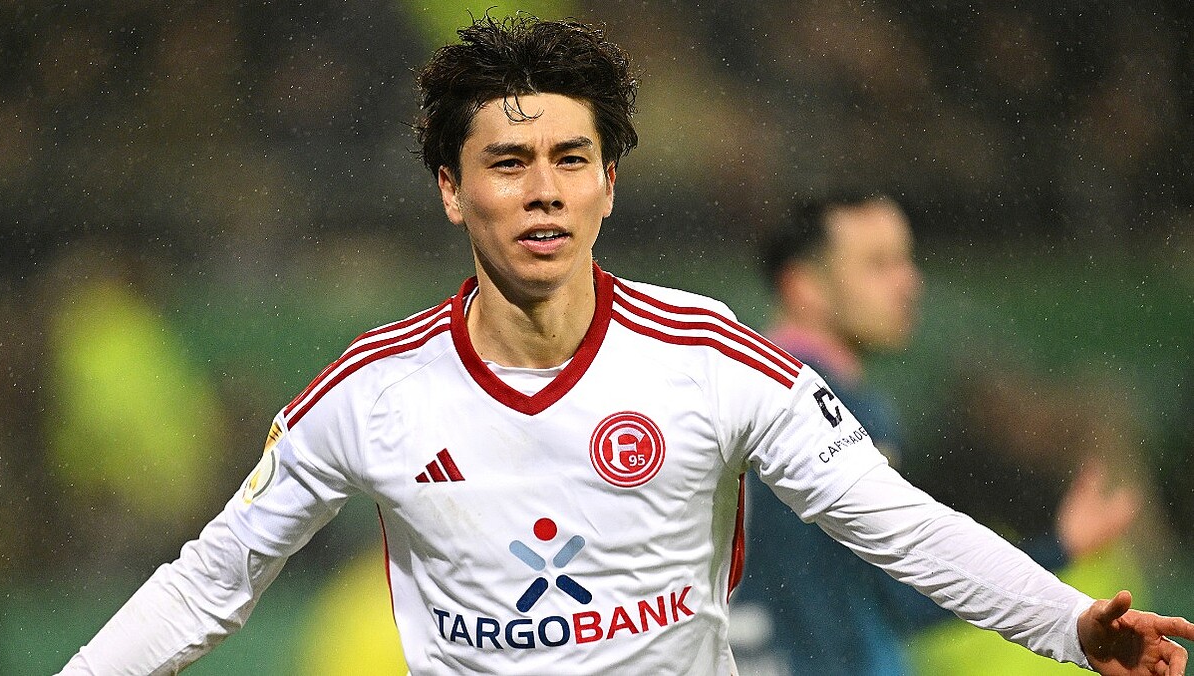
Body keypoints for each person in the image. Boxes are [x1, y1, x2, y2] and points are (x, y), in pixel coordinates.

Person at [60, 15, 1194, 676]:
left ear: (609, 182)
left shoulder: (709, 356)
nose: (542, 192)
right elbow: (206, 584)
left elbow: (894, 524)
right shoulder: (370, 394)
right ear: (451, 190)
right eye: (507, 164)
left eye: (570, 160)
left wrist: (1066, 624)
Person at [731, 194, 1142, 674]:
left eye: (905, 260)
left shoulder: (740, 393)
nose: (909, 281)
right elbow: (907, 593)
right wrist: (1059, 549)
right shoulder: (836, 410)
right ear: (804, 287)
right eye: (878, 264)